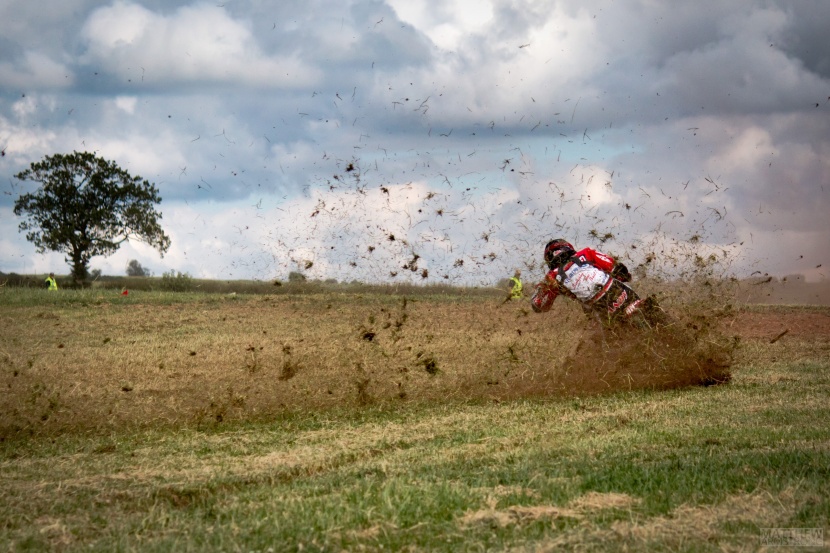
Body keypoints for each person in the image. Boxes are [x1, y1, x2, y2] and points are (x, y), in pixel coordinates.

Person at [530, 238, 664, 326]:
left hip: (602, 310)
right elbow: (618, 269)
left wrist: (546, 291)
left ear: (549, 259)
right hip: (622, 293)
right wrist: (624, 277)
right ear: (567, 248)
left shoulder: (552, 278)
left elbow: (539, 305)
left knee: (606, 340)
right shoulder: (586, 253)